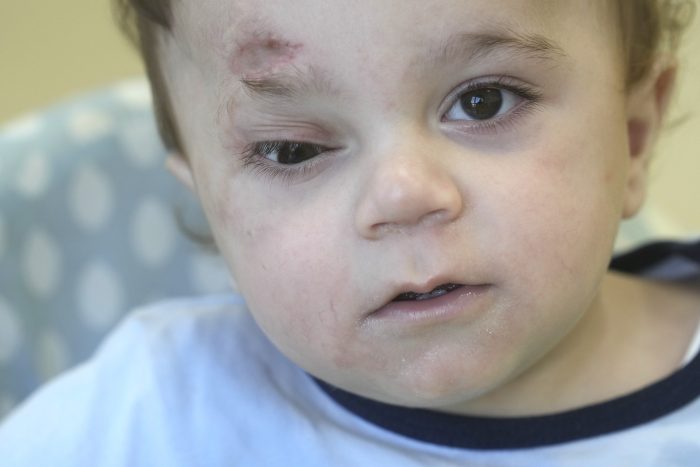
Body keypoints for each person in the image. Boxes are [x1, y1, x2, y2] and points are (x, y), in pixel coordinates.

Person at [1, 0, 699, 464]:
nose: (403, 195)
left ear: (633, 135)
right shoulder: (146, 419)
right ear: (212, 207)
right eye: (294, 150)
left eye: (483, 102)